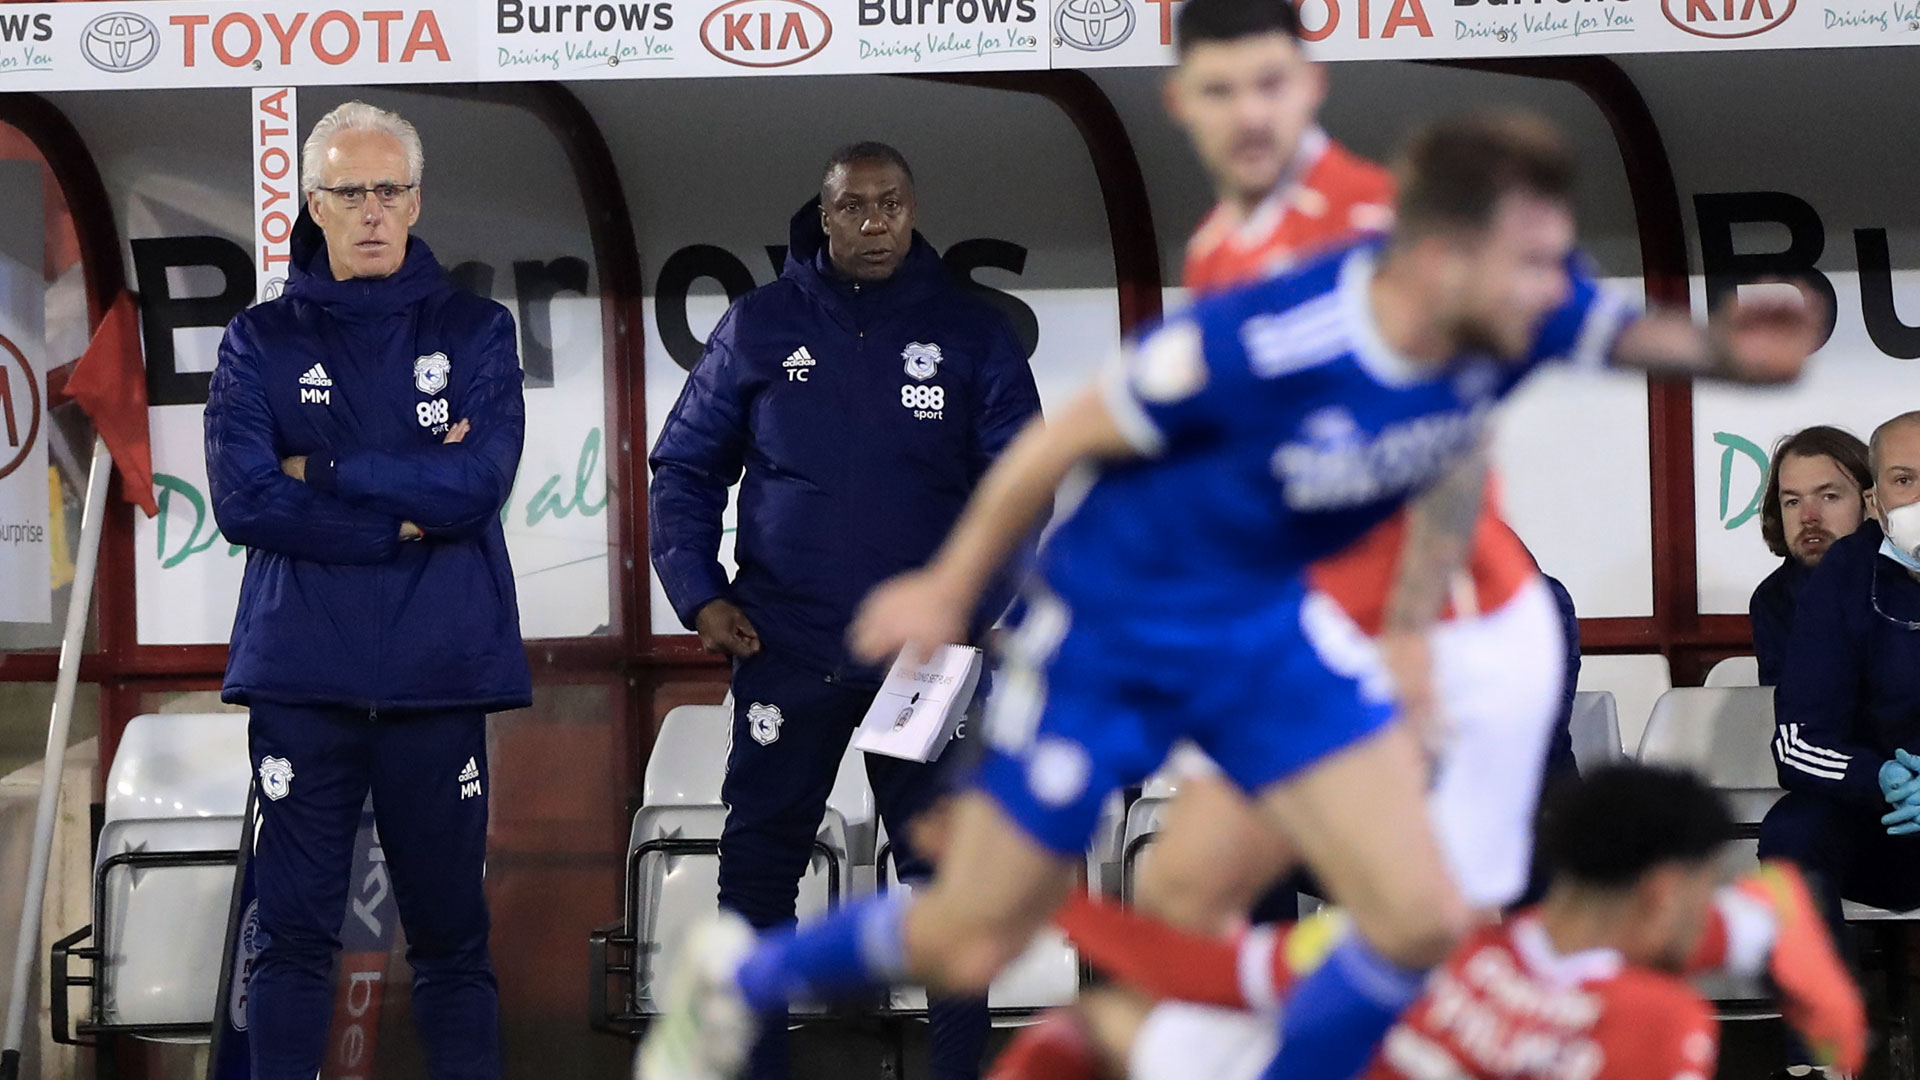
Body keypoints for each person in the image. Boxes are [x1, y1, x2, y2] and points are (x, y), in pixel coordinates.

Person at [637, 111, 1821, 1080]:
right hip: (1204, 659)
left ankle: (1711, 943)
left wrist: (1734, 349)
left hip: (1458, 661)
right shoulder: (1230, 356)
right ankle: (748, 990)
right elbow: (1060, 463)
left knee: (1431, 915)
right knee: (1155, 893)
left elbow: (1588, 350)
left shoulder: (1478, 355)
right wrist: (960, 590)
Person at [646, 141, 1042, 1080]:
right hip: (788, 642)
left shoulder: (969, 333)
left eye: (892, 205)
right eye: (855, 208)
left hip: (925, 658)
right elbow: (686, 468)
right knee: (758, 871)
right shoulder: (760, 325)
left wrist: (972, 607)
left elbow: (1021, 491)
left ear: (914, 209)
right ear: (822, 217)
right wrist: (699, 594)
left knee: (946, 882)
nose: (875, 223)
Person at [204, 101, 530, 1080]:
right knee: (294, 936)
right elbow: (245, 500)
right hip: (304, 673)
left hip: (439, 670)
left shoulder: (476, 329)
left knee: (451, 939)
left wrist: (329, 472)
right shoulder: (259, 338)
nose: (375, 210)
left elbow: (480, 485)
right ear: (316, 204)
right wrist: (402, 509)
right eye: (352, 192)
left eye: (391, 189)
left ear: (418, 198)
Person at [1010, 765, 1863, 1080]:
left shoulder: (1415, 945)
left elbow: (1215, 973)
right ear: (1668, 889)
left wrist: (1054, 904)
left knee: (1120, 1023)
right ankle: (1764, 925)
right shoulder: (1664, 1024)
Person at [1761, 410, 1920, 1077]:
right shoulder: (1840, 579)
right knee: (1790, 838)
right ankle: (1820, 1058)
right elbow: (1797, 740)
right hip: (1871, 816)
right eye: (1906, 480)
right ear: (1878, 498)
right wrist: (1880, 776)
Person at [1750, 426, 1870, 685]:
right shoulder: (1773, 598)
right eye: (1792, 501)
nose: (1808, 517)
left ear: (1870, 503)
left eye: (1829, 496)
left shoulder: (1906, 581)